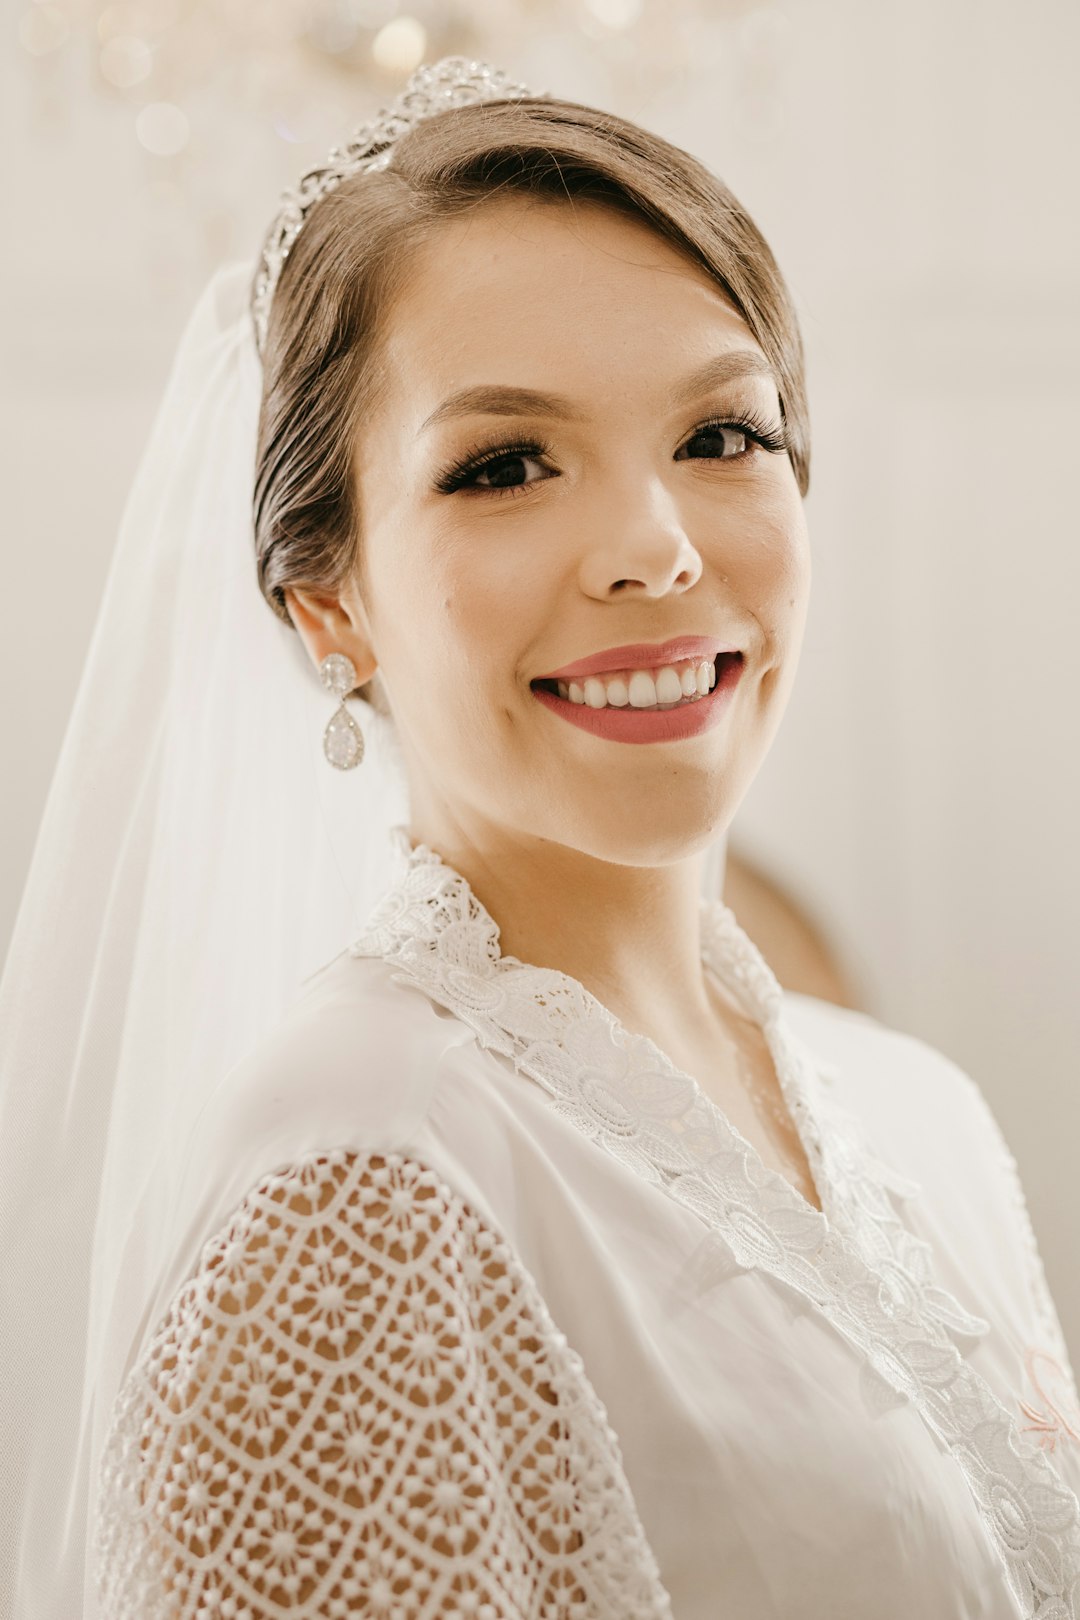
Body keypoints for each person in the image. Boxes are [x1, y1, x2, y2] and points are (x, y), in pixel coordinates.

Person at [2, 54, 1078, 1620]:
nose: (654, 547)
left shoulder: (924, 1119)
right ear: (330, 602)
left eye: (723, 436)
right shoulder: (359, 1184)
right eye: (505, 465)